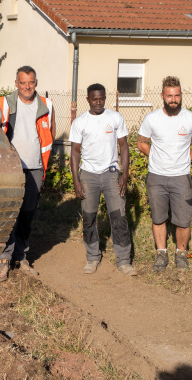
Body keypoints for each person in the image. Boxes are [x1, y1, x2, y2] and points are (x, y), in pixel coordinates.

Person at [137, 76, 192, 271]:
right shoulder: (152, 118)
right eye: (169, 96)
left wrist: (186, 159)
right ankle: (161, 253)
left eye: (176, 95)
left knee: (183, 219)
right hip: (156, 176)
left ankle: (181, 254)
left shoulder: (191, 118)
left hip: (181, 177)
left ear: (181, 95)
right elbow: (141, 142)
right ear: (162, 96)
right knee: (158, 218)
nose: (173, 99)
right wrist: (156, 157)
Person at [0, 66, 55, 282]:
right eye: (23, 83)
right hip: (11, 167)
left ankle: (22, 255)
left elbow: (50, 133)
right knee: (10, 212)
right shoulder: (5, 104)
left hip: (35, 167)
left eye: (30, 82)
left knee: (28, 212)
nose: (27, 86)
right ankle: (4, 258)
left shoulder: (46, 105)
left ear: (36, 82)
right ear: (16, 83)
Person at [70, 83, 136, 276]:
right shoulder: (80, 122)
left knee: (119, 216)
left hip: (111, 173)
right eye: (94, 99)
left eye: (101, 99)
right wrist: (76, 181)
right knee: (89, 217)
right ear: (88, 99)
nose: (98, 103)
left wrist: (124, 174)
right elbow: (74, 152)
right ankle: (92, 257)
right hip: (88, 175)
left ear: (105, 98)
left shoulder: (115, 117)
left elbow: (124, 146)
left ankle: (124, 260)